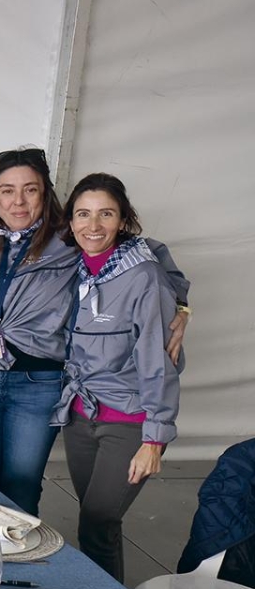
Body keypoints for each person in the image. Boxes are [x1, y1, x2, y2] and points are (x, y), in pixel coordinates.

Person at [0, 148, 190, 516]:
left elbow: (149, 259)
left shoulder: (69, 238)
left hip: (37, 383)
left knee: (21, 486)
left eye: (30, 190)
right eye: (7, 190)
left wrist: (181, 306)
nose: (18, 200)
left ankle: (21, 566)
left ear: (46, 194)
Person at [50, 173, 182, 581]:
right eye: (83, 214)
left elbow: (158, 363)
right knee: (96, 523)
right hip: (80, 415)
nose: (93, 225)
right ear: (70, 222)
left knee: (98, 522)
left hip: (127, 421)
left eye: (106, 214)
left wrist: (155, 438)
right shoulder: (72, 267)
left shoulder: (144, 276)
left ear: (123, 220)